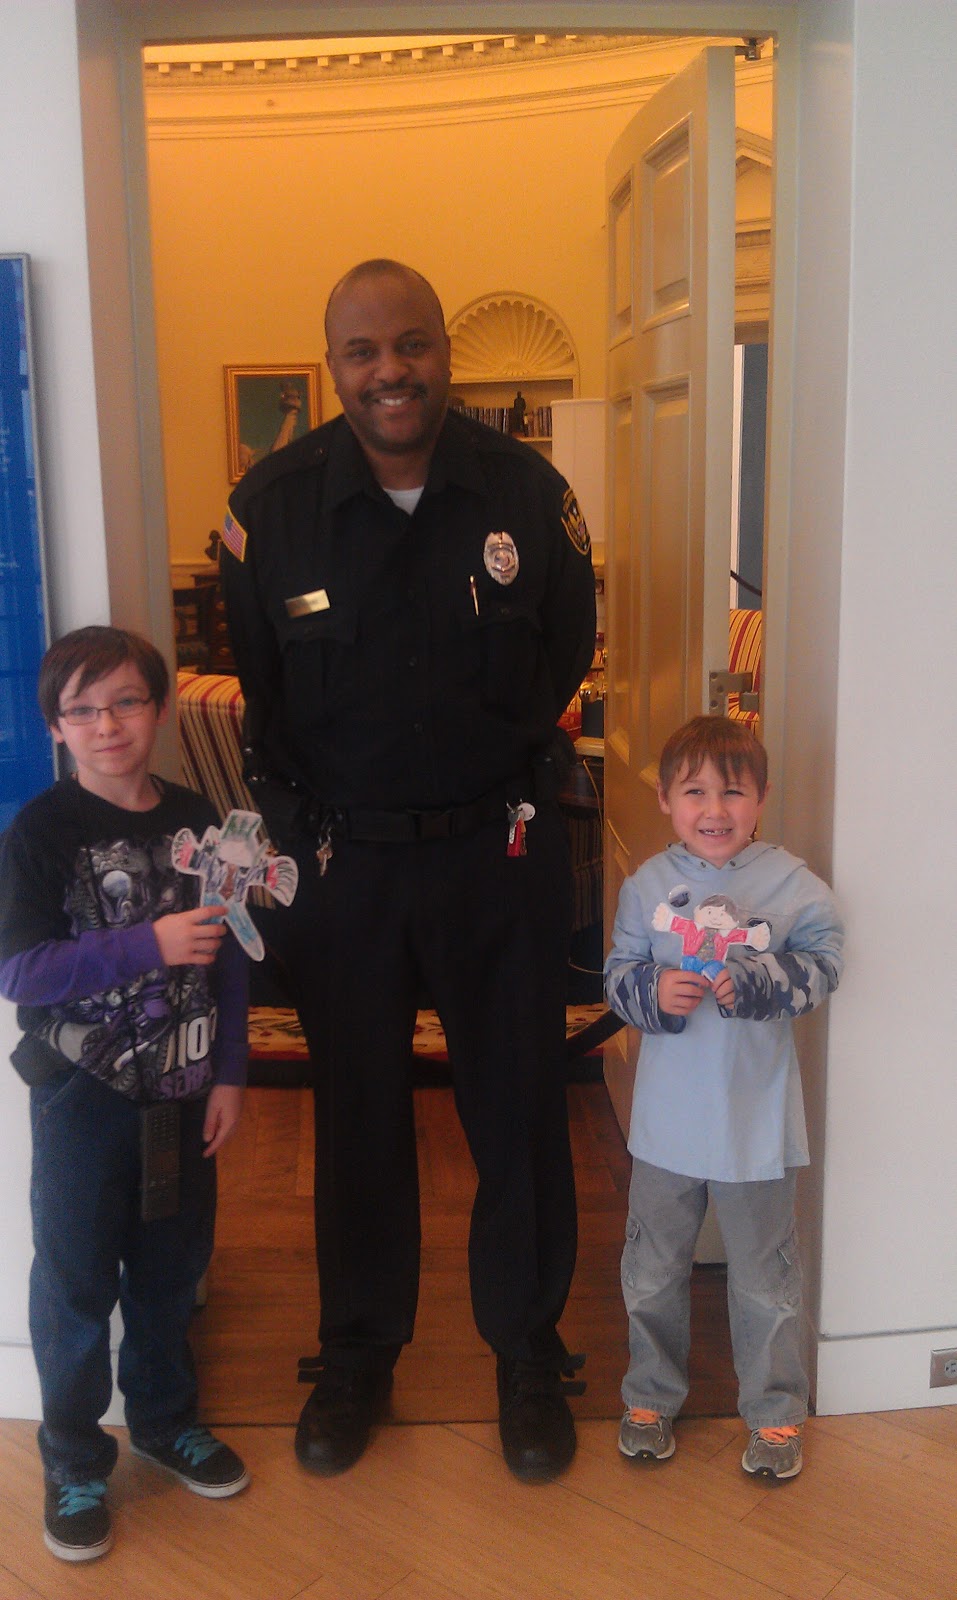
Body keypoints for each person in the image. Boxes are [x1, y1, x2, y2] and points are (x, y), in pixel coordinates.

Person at [220, 258, 596, 1483]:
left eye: (413, 344)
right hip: (348, 868)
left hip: (499, 853)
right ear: (335, 365)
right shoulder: (271, 509)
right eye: (364, 351)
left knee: (520, 1111)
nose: (392, 371)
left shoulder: (528, 494)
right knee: (359, 1117)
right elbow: (261, 687)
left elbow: (568, 650)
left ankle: (527, 1355)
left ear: (446, 350)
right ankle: (357, 1354)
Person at [0, 626, 250, 1563]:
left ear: (160, 708)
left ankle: (165, 1420)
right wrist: (148, 944)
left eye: (126, 702)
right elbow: (20, 971)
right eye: (83, 710)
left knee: (170, 1270)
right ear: (56, 727)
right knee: (73, 1282)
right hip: (81, 1098)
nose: (107, 725)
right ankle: (73, 1461)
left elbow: (229, 954)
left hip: (183, 1091)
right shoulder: (41, 832)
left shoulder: (198, 818)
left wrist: (231, 1072)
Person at [603, 714, 843, 1481]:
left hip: (756, 1129)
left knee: (765, 1280)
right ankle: (649, 1396)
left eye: (733, 792)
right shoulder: (647, 886)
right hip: (664, 1129)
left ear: (761, 798)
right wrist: (651, 991)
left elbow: (825, 962)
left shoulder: (791, 884)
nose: (714, 809)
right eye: (694, 792)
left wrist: (759, 980)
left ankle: (774, 1411)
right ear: (666, 799)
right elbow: (615, 975)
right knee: (651, 1270)